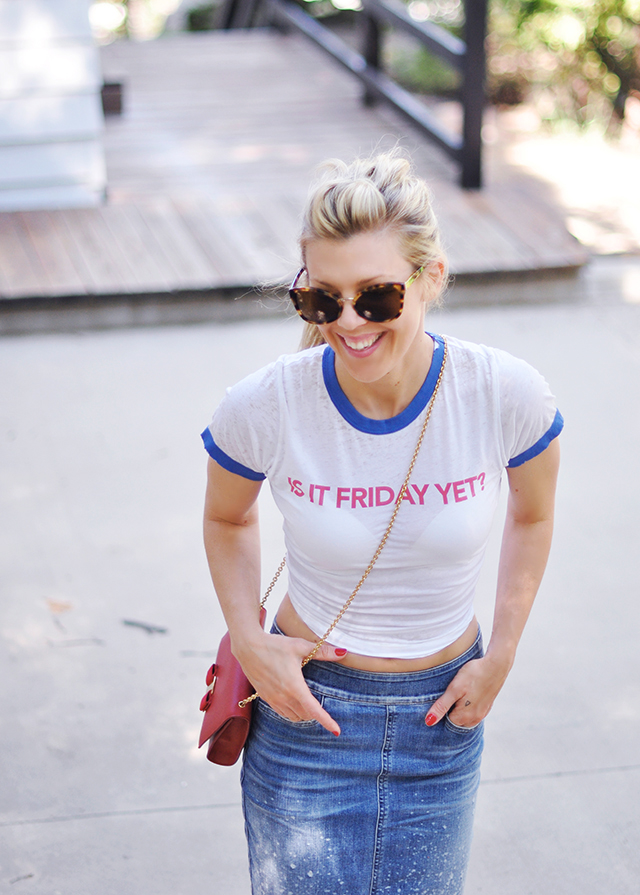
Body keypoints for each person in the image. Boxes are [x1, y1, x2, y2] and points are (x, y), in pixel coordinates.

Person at [201, 151, 562, 895]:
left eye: (377, 296)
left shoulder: (504, 393)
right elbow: (226, 517)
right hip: (307, 718)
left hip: (443, 721)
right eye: (322, 301)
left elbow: (534, 512)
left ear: (432, 277)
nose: (350, 323)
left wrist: (504, 654)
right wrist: (248, 638)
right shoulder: (265, 404)